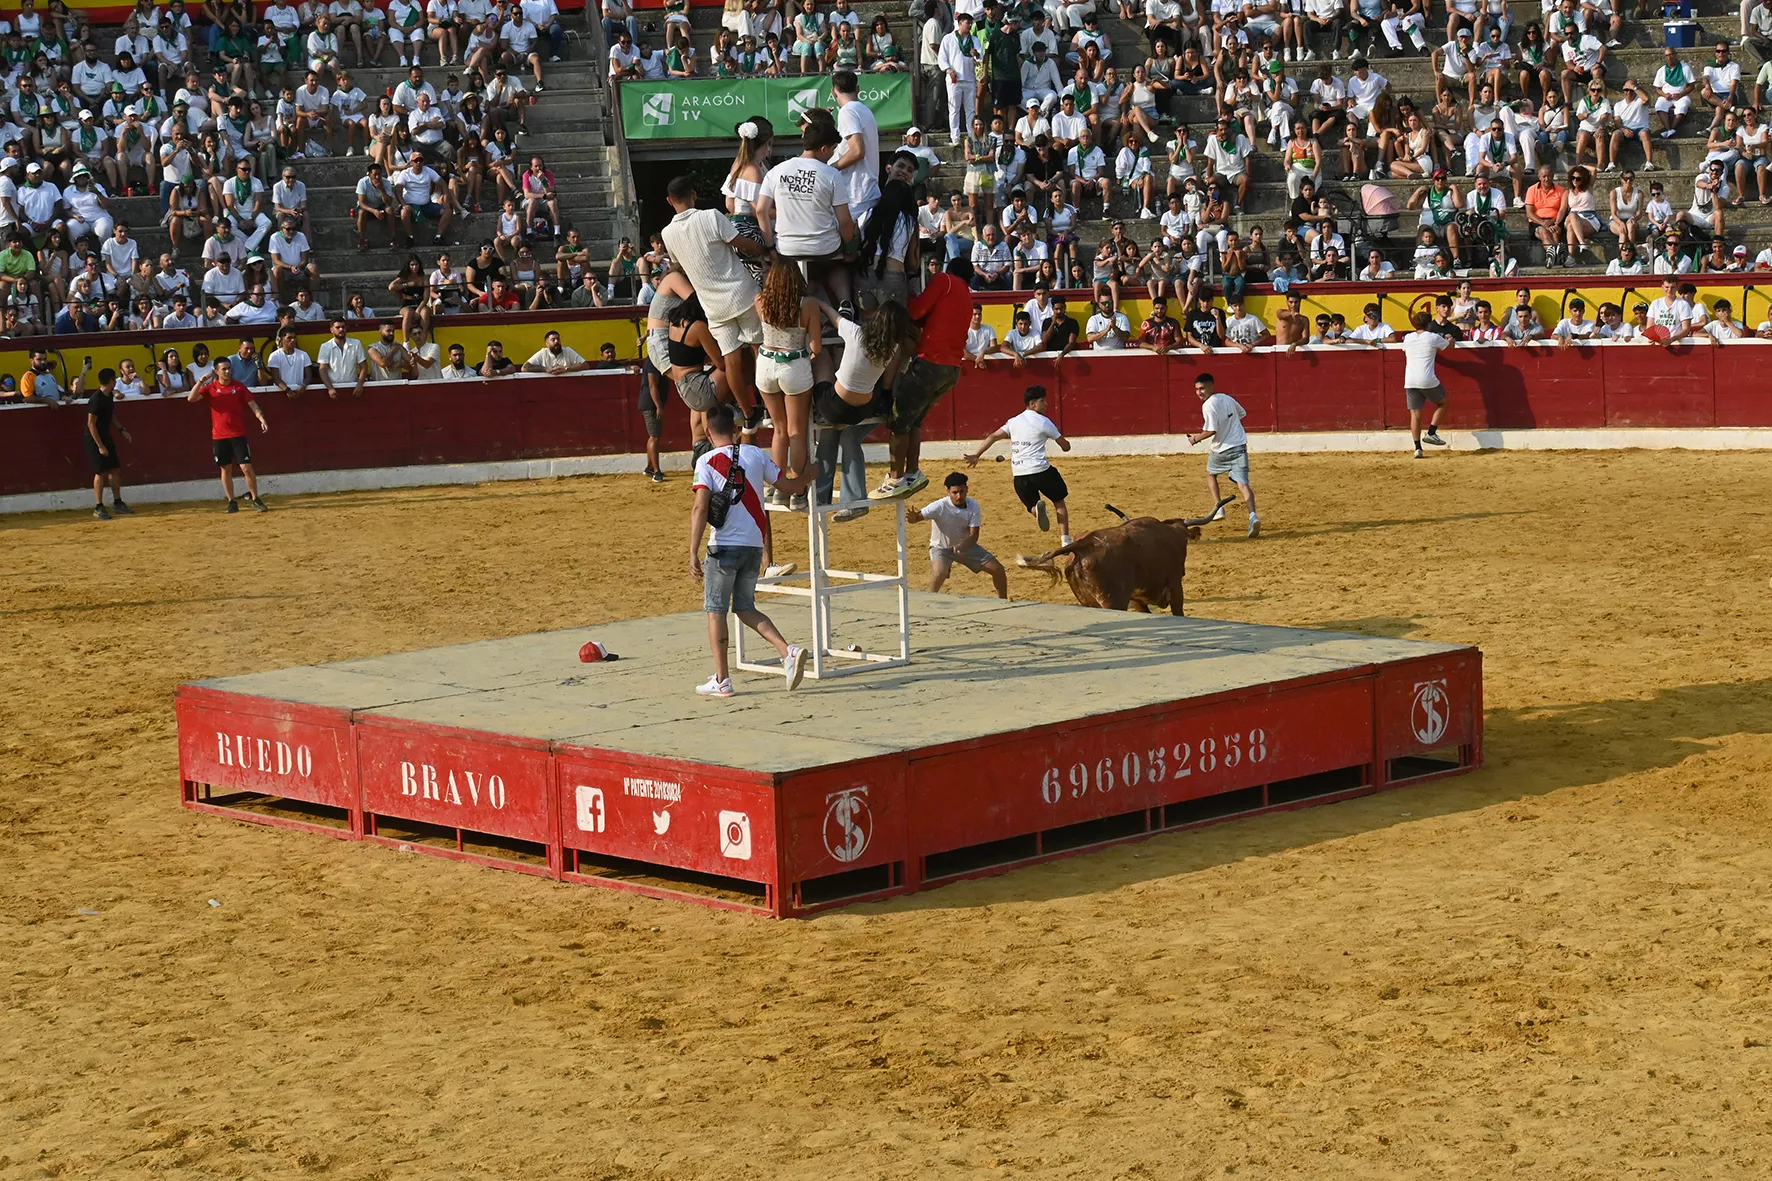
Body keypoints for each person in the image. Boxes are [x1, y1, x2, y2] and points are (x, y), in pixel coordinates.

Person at [688, 403, 818, 698]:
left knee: (715, 612)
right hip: (754, 546)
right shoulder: (756, 455)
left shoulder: (706, 461)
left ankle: (722, 679)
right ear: (735, 430)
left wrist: (692, 551)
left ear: (708, 432)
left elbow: (700, 507)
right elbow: (788, 486)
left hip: (723, 547)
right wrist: (810, 475)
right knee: (745, 607)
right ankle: (787, 651)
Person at [877, 255, 973, 500]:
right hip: (951, 369)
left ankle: (896, 478)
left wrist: (907, 294)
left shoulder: (945, 280)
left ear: (950, 269)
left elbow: (917, 310)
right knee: (914, 420)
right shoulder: (966, 296)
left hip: (932, 362)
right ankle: (912, 473)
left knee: (899, 422)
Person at [965, 384, 1073, 545]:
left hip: (1020, 474)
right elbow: (1065, 447)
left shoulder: (1014, 421)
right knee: (1058, 501)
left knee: (1030, 505)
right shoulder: (1044, 422)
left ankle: (1037, 511)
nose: (1046, 404)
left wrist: (976, 455)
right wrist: (1064, 443)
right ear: (1032, 404)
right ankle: (1065, 539)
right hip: (1041, 471)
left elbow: (994, 436)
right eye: (1043, 401)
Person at [906, 472, 1009, 598]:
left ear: (967, 489)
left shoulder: (973, 506)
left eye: (961, 491)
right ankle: (929, 600)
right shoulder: (939, 506)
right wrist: (912, 518)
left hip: (966, 546)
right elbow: (917, 518)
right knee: (939, 573)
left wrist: (962, 546)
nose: (959, 496)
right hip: (941, 548)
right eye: (955, 492)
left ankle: (1002, 600)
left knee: (998, 570)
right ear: (947, 491)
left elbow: (974, 535)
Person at [188, 356, 269, 512]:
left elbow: (253, 405)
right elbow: (191, 398)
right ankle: (231, 501)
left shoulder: (239, 387)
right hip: (219, 436)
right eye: (223, 369)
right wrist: (200, 382)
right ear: (216, 371)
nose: (227, 371)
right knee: (226, 469)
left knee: (246, 467)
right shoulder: (210, 388)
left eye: (229, 368)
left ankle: (255, 498)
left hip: (238, 434)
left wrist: (261, 418)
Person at [1186, 372, 1259, 537]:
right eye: (1197, 389)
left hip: (1221, 450)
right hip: (1239, 446)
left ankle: (1219, 508)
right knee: (1243, 485)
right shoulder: (1227, 398)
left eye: (1202, 388)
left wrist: (1195, 438)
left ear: (1212, 386)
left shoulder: (1207, 405)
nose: (1199, 392)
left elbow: (1211, 430)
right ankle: (1253, 516)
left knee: (1211, 474)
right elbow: (1242, 413)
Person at [80, 365, 134, 520]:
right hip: (94, 439)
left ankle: (117, 503)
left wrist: (121, 429)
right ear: (111, 381)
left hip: (105, 436)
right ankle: (98, 506)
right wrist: (100, 446)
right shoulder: (96, 399)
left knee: (114, 469)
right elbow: (91, 424)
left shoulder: (108, 395)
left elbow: (110, 415)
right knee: (100, 472)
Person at [1400, 309, 1451, 458]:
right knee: (1443, 403)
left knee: (1415, 414)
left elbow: (1405, 349)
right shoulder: (1432, 337)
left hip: (1410, 380)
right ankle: (1431, 432)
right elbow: (1449, 346)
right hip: (1427, 379)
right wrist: (1451, 339)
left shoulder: (1408, 337)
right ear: (1429, 324)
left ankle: (1417, 449)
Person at [317, 319, 368, 397]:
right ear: (331, 330)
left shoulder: (356, 343)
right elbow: (322, 370)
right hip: (334, 387)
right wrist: (330, 388)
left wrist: (360, 384)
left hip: (353, 386)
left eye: (343, 327)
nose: (341, 329)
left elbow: (364, 366)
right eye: (338, 327)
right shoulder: (325, 346)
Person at [523, 329, 590, 373]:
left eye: (558, 339)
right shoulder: (543, 353)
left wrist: (566, 369)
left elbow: (585, 365)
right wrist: (545, 369)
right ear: (547, 343)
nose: (556, 341)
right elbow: (525, 368)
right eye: (553, 340)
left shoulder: (568, 351)